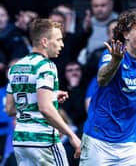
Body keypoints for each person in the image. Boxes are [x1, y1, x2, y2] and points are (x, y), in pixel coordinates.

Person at [79, 9, 136, 166]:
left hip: (128, 144)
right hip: (98, 141)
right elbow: (101, 79)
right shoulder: (113, 54)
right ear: (126, 34)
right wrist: (116, 61)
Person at [6, 18, 81, 166]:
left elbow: (10, 109)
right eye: (58, 40)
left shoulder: (16, 67)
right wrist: (71, 135)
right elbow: (45, 108)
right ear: (45, 42)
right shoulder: (46, 66)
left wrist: (51, 95)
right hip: (43, 140)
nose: (62, 44)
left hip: (22, 141)